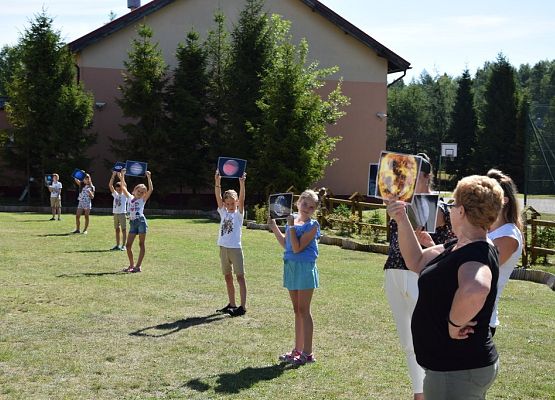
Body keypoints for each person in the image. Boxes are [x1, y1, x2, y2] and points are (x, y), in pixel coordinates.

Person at [387, 175, 504, 400]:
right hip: (455, 368)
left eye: (451, 205)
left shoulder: (476, 253)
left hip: (455, 371)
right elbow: (416, 261)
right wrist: (402, 219)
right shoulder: (458, 245)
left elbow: (476, 288)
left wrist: (454, 323)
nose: (448, 210)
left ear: (461, 212)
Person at [383, 153, 454, 400]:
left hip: (421, 275)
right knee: (408, 342)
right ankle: (419, 393)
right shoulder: (399, 202)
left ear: (425, 177)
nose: (406, 180)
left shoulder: (440, 205)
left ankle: (432, 392)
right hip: (394, 271)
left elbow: (433, 217)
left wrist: (401, 204)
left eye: (412, 175)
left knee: (426, 338)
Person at [268, 190, 320, 366]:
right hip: (290, 266)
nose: (307, 209)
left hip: (305, 269)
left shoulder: (313, 226)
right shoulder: (294, 221)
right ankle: (297, 350)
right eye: (305, 204)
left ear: (314, 210)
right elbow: (287, 244)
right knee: (297, 310)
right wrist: (275, 226)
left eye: (311, 207)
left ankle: (308, 352)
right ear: (298, 203)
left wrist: (290, 226)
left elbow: (297, 248)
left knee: (304, 310)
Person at [486, 169, 523, 336]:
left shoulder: (509, 236)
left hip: (482, 319)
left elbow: (480, 265)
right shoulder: (484, 229)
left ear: (504, 201)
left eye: (487, 194)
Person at [214, 170, 248, 317]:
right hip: (223, 247)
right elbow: (217, 196)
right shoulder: (223, 212)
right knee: (228, 277)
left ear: (237, 202)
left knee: (240, 277)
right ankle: (232, 304)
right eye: (227, 203)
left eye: (232, 203)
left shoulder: (239, 214)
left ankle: (242, 307)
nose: (230, 206)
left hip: (235, 249)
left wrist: (242, 183)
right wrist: (217, 181)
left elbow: (242, 198)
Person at [119, 169, 153, 273]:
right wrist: (122, 175)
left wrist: (149, 177)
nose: (140, 193)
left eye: (142, 192)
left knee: (141, 244)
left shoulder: (142, 200)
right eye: (138, 191)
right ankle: (131, 265)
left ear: (144, 194)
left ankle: (138, 267)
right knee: (128, 245)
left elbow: (151, 189)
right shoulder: (130, 197)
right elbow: (123, 186)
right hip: (132, 223)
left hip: (141, 221)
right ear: (134, 190)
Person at [109, 171, 129, 251]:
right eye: (116, 187)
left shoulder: (125, 195)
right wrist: (113, 175)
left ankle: (124, 246)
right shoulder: (115, 194)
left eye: (119, 186)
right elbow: (110, 185)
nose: (117, 188)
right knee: (117, 230)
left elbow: (124, 185)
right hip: (115, 214)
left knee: (123, 230)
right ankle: (117, 245)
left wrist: (121, 176)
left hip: (122, 214)